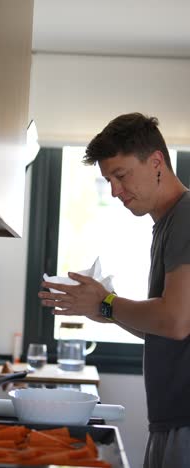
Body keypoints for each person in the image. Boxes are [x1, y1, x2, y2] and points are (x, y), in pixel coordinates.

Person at [38, 112, 190, 468]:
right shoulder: (168, 223)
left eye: (120, 176)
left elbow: (175, 321)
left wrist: (107, 302)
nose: (115, 191)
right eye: (108, 180)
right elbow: (168, 327)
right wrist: (102, 311)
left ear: (156, 162)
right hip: (172, 420)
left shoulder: (185, 217)